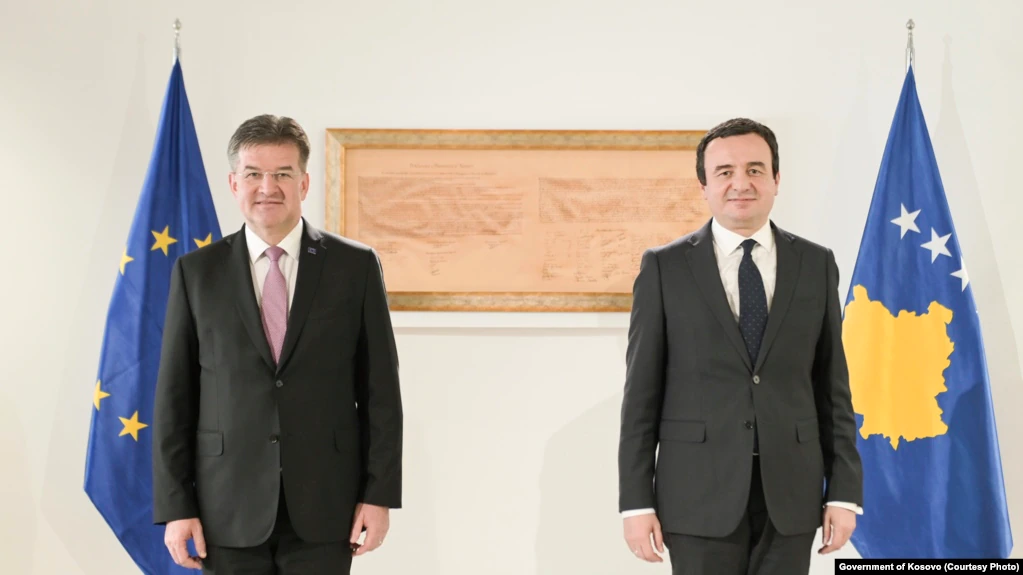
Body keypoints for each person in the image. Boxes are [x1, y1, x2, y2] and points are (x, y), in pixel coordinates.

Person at [152, 114, 403, 574]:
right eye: (253, 174)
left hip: (327, 507)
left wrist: (378, 495)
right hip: (225, 508)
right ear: (234, 183)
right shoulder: (196, 273)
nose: (267, 187)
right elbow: (174, 398)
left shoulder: (355, 267)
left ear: (304, 183)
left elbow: (381, 393)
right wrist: (175, 505)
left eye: (282, 174)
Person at [617, 118, 863, 574]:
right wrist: (636, 502)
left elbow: (833, 388)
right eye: (725, 172)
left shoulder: (816, 263)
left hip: (791, 494)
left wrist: (844, 493)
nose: (741, 183)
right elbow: (641, 398)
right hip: (695, 495)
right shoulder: (664, 268)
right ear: (704, 186)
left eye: (754, 169)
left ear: (776, 179)